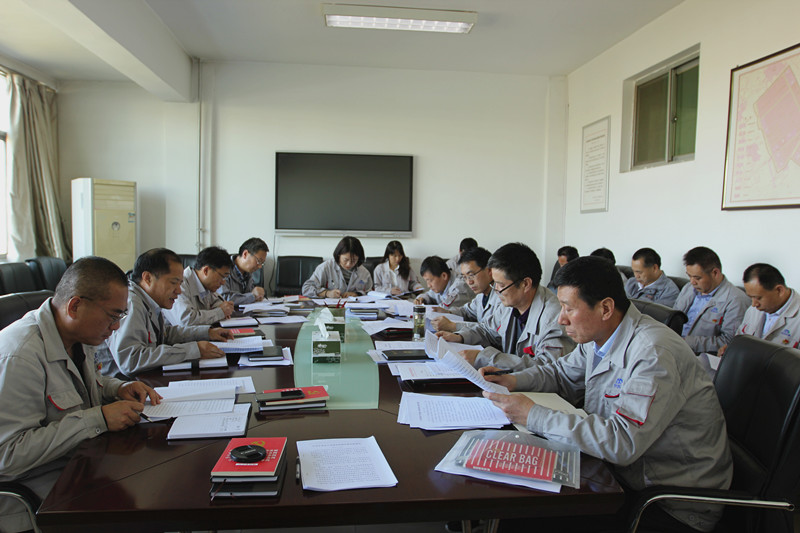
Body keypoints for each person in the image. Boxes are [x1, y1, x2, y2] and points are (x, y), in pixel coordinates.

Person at [483, 256, 732, 532]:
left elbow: (622, 442)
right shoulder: (598, 337)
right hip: (622, 475)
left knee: (526, 513)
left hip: (667, 503)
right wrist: (512, 380)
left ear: (605, 308)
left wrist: (533, 415)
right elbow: (561, 373)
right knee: (519, 498)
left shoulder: (653, 354)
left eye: (568, 308)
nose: (561, 318)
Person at [0, 257, 161, 533]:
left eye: (120, 317)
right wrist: (97, 419)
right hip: (38, 494)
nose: (116, 327)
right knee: (146, 506)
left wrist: (118, 388)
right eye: (113, 316)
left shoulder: (77, 334)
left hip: (81, 465)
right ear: (75, 306)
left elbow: (84, 383)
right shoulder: (19, 357)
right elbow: (7, 456)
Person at [95, 248, 234, 378]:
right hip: (125, 385)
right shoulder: (132, 303)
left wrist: (206, 332)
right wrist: (193, 350)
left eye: (180, 283)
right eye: (174, 283)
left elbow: (164, 334)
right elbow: (130, 360)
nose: (179, 291)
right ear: (148, 278)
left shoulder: (149, 301)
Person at [452, 243, 574, 370]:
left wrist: (487, 358)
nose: (496, 290)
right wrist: (460, 337)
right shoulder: (510, 304)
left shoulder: (555, 318)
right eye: (495, 284)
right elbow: (487, 331)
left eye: (501, 285)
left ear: (525, 284)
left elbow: (547, 368)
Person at [673, 247, 749, 354]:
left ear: (715, 273)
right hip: (673, 344)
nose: (692, 282)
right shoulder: (688, 288)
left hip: (697, 354)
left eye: (697, 278)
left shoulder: (736, 300)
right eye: (689, 276)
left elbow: (729, 342)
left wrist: (686, 342)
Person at [719, 263, 800, 354]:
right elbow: (740, 339)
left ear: (779, 290)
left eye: (758, 298)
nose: (754, 304)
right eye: (751, 297)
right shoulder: (753, 310)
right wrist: (731, 349)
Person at [431, 247, 501, 335]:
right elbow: (467, 312)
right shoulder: (481, 295)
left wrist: (453, 326)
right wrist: (448, 312)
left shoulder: (502, 297)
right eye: (465, 277)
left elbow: (491, 330)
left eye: (471, 275)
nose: (469, 282)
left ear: (489, 270)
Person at [163, 246, 235, 326]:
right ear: (206, 270)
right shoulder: (180, 285)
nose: (223, 282)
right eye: (222, 277)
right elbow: (185, 321)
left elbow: (218, 303)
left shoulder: (206, 286)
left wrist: (225, 308)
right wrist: (220, 312)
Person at [302, 236, 373, 298]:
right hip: (329, 307)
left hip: (354, 308)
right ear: (339, 255)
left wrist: (357, 294)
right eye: (345, 260)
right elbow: (306, 289)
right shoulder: (326, 268)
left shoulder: (364, 273)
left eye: (354, 260)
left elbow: (370, 293)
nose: (349, 264)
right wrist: (326, 293)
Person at [219, 237, 268, 304]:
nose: (260, 266)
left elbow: (247, 295)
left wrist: (258, 295)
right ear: (245, 254)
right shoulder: (223, 267)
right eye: (259, 261)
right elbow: (223, 298)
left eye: (262, 263)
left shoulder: (248, 272)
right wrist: (252, 296)